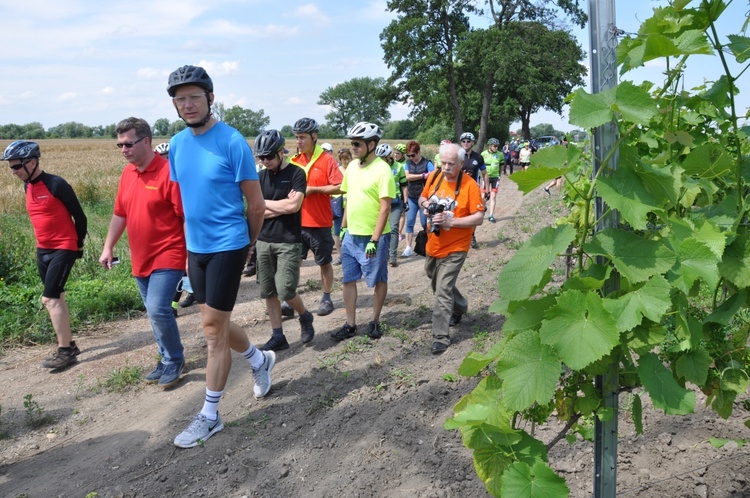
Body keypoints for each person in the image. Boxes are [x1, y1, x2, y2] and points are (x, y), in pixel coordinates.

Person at [166, 64, 274, 448]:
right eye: (181, 99)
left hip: (230, 244)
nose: (188, 104)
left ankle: (210, 416)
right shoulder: (177, 145)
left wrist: (245, 246)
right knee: (217, 324)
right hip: (196, 249)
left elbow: (256, 205)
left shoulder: (232, 142)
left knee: (212, 332)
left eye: (195, 96)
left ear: (210, 98)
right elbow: (188, 204)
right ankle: (260, 361)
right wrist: (184, 253)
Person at [99, 118, 187, 389]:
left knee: (159, 309)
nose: (123, 149)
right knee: (153, 312)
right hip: (141, 257)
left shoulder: (169, 172)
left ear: (146, 141)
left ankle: (174, 359)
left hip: (168, 253)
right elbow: (120, 213)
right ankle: (164, 357)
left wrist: (189, 259)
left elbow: (185, 217)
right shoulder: (128, 174)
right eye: (120, 145)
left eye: (128, 144)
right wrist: (108, 245)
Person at [3, 141, 87, 370]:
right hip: (43, 249)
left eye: (17, 166)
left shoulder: (56, 184)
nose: (14, 171)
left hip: (64, 246)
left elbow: (80, 217)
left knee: (49, 298)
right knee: (56, 297)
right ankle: (69, 343)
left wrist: (78, 245)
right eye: (10, 167)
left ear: (32, 162)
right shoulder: (27, 186)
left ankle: (65, 352)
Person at [417, 143, 484, 354]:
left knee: (442, 290)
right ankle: (461, 306)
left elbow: (479, 217)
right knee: (434, 279)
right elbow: (422, 198)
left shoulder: (470, 186)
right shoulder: (434, 177)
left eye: (451, 164)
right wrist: (427, 206)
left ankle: (440, 337)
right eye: (443, 162)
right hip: (433, 243)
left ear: (461, 163)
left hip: (457, 246)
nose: (445, 167)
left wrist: (450, 221)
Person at [332, 122, 396, 341]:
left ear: (371, 144)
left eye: (357, 143)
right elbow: (349, 198)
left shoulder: (382, 169)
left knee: (378, 279)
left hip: (373, 237)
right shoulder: (351, 167)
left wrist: (375, 240)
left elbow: (386, 206)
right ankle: (350, 324)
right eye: (352, 144)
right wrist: (343, 228)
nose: (354, 147)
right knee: (348, 280)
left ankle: (375, 320)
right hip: (351, 234)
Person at [253, 129, 315, 352]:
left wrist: (266, 204)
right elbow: (254, 210)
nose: (265, 161)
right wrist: (280, 207)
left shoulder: (297, 174)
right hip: (263, 240)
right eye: (261, 157)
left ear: (281, 152)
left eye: (269, 156)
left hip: (288, 240)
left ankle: (305, 315)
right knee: (268, 291)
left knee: (286, 290)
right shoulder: (259, 177)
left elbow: (294, 206)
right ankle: (278, 335)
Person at [288, 118, 343, 317]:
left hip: (319, 222)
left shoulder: (326, 159)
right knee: (294, 262)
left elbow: (340, 187)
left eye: (302, 137)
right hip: (296, 222)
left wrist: (315, 190)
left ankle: (326, 297)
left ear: (314, 137)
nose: (298, 142)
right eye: (296, 138)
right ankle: (290, 298)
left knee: (324, 262)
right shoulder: (294, 160)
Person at [154, 142, 195, 311]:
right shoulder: (156, 177)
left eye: (167, 158)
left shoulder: (183, 174)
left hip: (186, 223)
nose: (165, 162)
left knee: (186, 264)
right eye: (161, 158)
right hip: (168, 228)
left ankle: (174, 303)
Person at [376, 143, 408, 267]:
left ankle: (393, 254)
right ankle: (382, 253)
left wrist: (406, 201)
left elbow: (404, 185)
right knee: (382, 228)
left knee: (394, 228)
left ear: (389, 156)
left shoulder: (399, 167)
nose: (381, 160)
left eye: (383, 157)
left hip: (395, 202)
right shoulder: (377, 168)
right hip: (381, 202)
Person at [402, 140, 434, 257]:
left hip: (423, 198)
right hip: (411, 197)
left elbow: (432, 176)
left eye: (413, 155)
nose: (411, 157)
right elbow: (407, 177)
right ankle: (408, 247)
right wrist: (422, 175)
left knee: (424, 223)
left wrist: (427, 176)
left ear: (419, 152)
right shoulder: (408, 163)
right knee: (409, 222)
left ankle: (429, 244)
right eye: (409, 155)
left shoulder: (427, 163)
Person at [459, 132, 487, 249]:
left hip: (474, 189)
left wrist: (486, 189)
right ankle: (460, 237)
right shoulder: (458, 156)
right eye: (463, 141)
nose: (465, 143)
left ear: (472, 143)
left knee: (475, 213)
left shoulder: (478, 157)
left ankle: (472, 235)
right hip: (459, 189)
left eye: (468, 141)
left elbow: (485, 174)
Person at [481, 138, 502, 223]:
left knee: (493, 196)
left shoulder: (500, 154)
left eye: (497, 146)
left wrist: (500, 175)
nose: (496, 147)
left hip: (495, 178)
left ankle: (491, 215)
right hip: (485, 177)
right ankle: (482, 209)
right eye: (494, 146)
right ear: (489, 146)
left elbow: (501, 166)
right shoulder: (483, 154)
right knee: (484, 197)